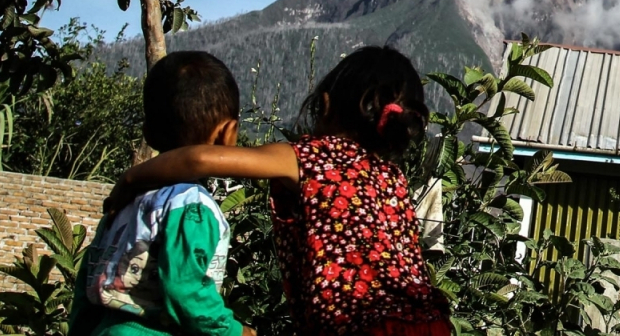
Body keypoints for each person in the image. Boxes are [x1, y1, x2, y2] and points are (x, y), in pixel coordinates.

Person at [107, 47, 448, 336]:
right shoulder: (394, 180)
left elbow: (200, 158)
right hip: (429, 323)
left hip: (356, 326)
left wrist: (131, 179)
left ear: (325, 105)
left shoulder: (310, 158)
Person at [71, 50, 253, 336]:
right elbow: (184, 289)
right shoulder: (193, 205)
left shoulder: (126, 201)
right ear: (228, 134)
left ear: (148, 133)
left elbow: (88, 280)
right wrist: (232, 331)